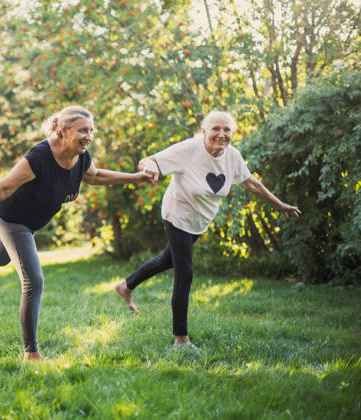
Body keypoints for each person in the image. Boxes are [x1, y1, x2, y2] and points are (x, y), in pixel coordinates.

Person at [0, 105, 153, 361]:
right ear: (62, 130)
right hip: (14, 219)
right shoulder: (39, 157)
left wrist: (136, 178)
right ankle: (31, 354)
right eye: (83, 130)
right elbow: (3, 188)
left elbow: (95, 176)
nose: (89, 136)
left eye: (91, 130)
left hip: (34, 221)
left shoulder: (81, 156)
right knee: (33, 281)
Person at [115, 111, 301, 347]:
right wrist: (150, 168)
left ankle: (125, 286)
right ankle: (181, 338)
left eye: (227, 130)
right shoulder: (188, 150)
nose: (221, 134)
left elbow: (251, 183)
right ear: (204, 131)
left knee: (166, 260)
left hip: (199, 221)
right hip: (177, 215)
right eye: (216, 129)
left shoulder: (232, 156)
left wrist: (279, 205)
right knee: (185, 272)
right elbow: (149, 160)